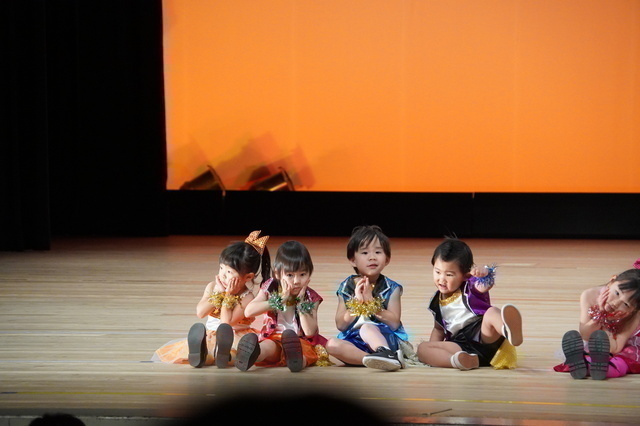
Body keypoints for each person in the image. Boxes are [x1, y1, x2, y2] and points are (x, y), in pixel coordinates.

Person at [153, 230, 271, 368]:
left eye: (229, 272)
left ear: (248, 277)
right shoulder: (212, 287)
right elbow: (201, 313)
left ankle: (220, 355)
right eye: (221, 268)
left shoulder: (248, 297)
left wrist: (229, 295)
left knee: (236, 350)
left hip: (235, 336)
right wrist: (218, 293)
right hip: (211, 334)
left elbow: (226, 324)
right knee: (211, 347)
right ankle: (203, 355)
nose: (223, 275)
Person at [416, 237, 523, 370]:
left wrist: (484, 274)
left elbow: (485, 285)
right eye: (437, 272)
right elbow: (438, 329)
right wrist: (433, 348)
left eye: (449, 275)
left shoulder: (471, 287)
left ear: (465, 276)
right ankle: (461, 361)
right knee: (422, 348)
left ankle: (507, 330)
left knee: (492, 312)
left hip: (485, 337)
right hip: (460, 346)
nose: (441, 279)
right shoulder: (436, 302)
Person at [234, 240, 330, 372]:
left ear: (309, 273)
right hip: (274, 338)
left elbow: (309, 332)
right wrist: (279, 300)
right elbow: (249, 312)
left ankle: (296, 361)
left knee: (306, 353)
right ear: (278, 274)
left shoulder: (311, 297)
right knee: (267, 347)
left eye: (302, 274)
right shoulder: (270, 287)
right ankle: (252, 355)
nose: (296, 281)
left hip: (300, 341)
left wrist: (301, 303)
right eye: (290, 275)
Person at [325, 225, 409, 371]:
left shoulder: (392, 288)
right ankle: (375, 359)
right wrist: (357, 303)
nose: (372, 257)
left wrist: (371, 303)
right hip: (355, 340)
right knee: (331, 344)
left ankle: (386, 353)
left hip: (384, 337)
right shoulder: (346, 287)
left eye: (378, 252)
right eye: (364, 252)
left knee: (367, 328)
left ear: (387, 259)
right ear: (353, 260)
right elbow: (341, 325)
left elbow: (394, 323)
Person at [555, 264, 640, 380]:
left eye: (625, 304)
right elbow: (585, 334)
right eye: (617, 293)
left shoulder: (635, 315)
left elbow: (615, 348)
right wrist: (600, 313)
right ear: (612, 280)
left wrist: (608, 318)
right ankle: (585, 365)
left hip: (622, 345)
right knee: (589, 350)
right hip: (597, 342)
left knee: (623, 360)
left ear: (633, 309)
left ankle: (599, 368)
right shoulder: (589, 295)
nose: (616, 303)